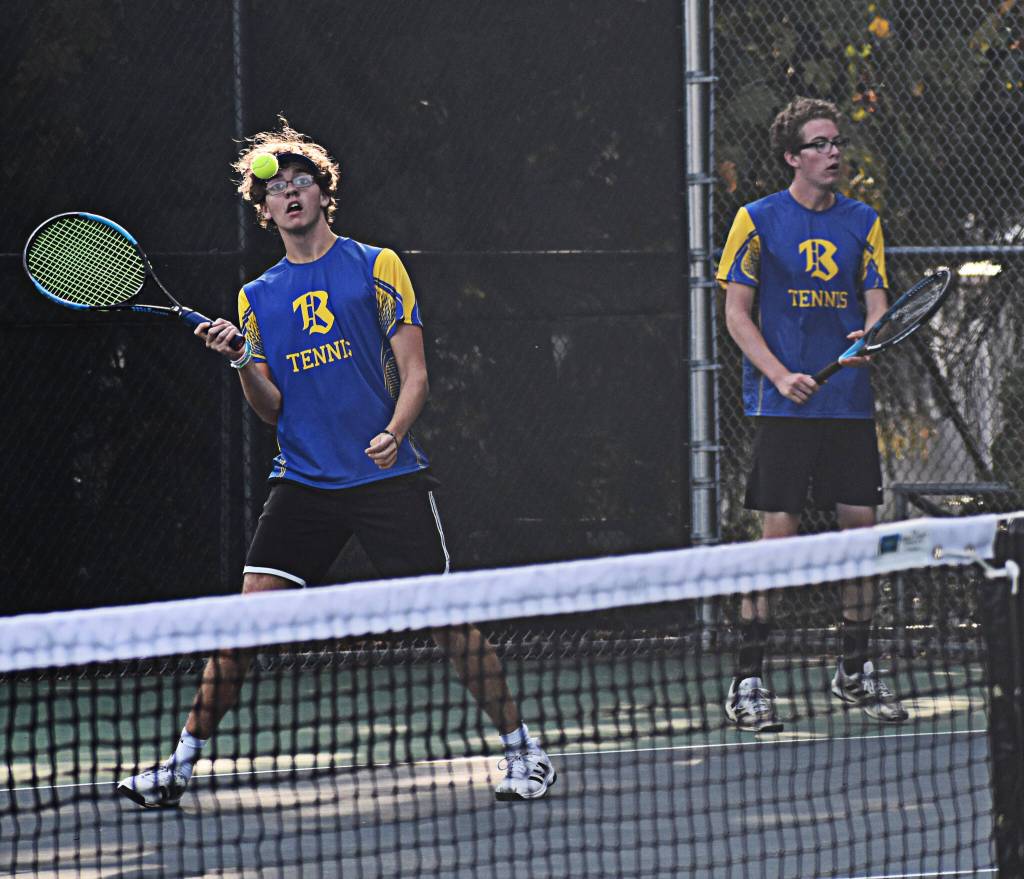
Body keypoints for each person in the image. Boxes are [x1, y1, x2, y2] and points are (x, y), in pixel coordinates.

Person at [117, 120, 556, 805]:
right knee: (241, 628)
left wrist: (394, 429)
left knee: (447, 621)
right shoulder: (257, 298)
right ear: (262, 212)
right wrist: (239, 359)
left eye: (301, 182)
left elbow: (415, 374)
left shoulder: (376, 266)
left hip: (388, 477)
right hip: (304, 483)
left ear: (324, 194)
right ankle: (177, 766)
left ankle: (524, 751)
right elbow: (270, 407)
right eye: (275, 189)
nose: (289, 194)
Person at [716, 97, 908, 732]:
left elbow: (877, 306)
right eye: (820, 144)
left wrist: (868, 342)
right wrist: (779, 374)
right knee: (778, 543)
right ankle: (748, 680)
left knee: (860, 537)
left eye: (837, 142)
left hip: (848, 408)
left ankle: (854, 671)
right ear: (793, 157)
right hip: (784, 407)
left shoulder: (863, 221)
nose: (834, 153)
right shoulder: (755, 219)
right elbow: (737, 314)